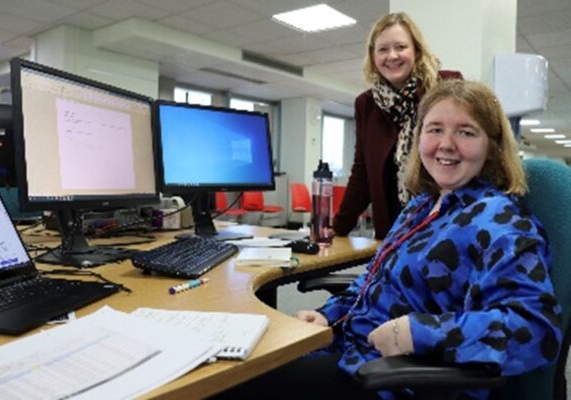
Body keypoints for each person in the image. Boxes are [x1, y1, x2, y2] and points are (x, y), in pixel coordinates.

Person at [211, 80, 562, 400]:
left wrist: (417, 333)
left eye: (466, 132)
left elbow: (536, 330)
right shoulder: (421, 207)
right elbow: (373, 283)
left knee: (228, 386)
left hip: (391, 381)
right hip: (347, 349)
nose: (445, 144)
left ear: (493, 147)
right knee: (225, 366)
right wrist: (327, 317)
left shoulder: (502, 221)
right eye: (434, 129)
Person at [333, 12, 461, 239]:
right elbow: (362, 174)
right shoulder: (366, 104)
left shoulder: (446, 88)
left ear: (416, 50)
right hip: (392, 233)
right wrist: (336, 230)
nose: (392, 56)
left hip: (442, 229)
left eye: (400, 47)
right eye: (382, 49)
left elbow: (464, 159)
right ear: (373, 56)